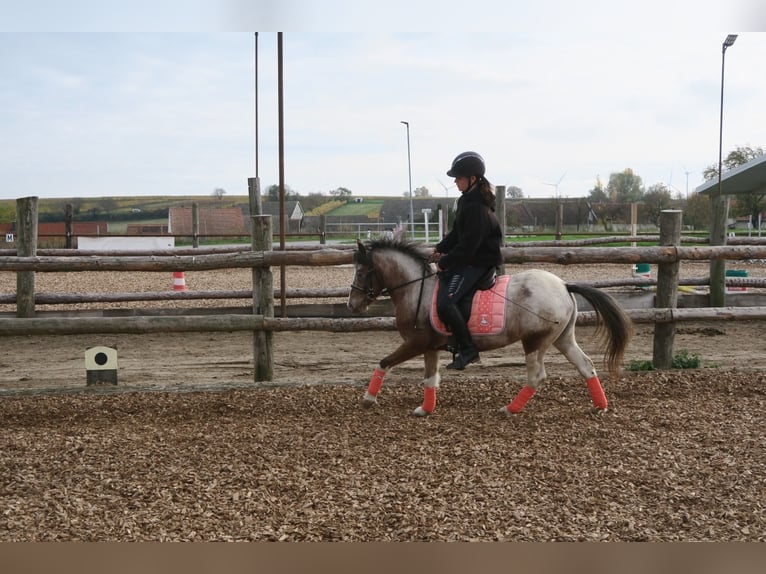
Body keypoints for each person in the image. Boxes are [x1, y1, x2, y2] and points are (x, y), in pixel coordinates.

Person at [431, 151, 503, 370]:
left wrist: (444, 262)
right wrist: (438, 249)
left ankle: (469, 350)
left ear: (472, 179)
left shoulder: (477, 207)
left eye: (459, 177)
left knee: (446, 302)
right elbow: (456, 235)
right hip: (469, 258)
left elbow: (468, 246)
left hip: (479, 262)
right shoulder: (466, 201)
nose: (455, 181)